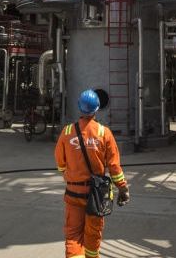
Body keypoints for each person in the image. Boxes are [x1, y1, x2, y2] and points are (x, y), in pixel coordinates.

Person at [54, 89, 130, 258]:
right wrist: (123, 189)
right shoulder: (104, 133)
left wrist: (69, 174)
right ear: (97, 109)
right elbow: (114, 167)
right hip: (96, 195)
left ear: (80, 108)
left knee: (73, 235)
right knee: (93, 234)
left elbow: (60, 162)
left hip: (73, 193)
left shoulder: (67, 132)